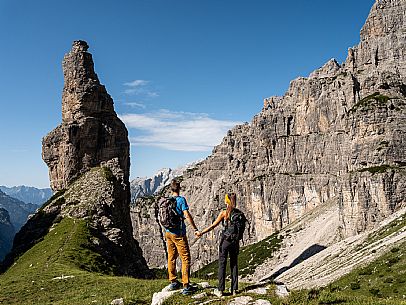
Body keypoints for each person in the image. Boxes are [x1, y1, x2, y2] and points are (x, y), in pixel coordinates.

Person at [196, 193, 241, 297]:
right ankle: (234, 290)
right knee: (234, 264)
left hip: (225, 242)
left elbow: (213, 226)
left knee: (222, 264)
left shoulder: (224, 213)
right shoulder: (239, 213)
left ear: (227, 201)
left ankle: (220, 290)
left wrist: (201, 232)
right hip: (235, 242)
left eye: (225, 199)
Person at [165, 179, 199, 295]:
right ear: (179, 188)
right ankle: (186, 286)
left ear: (171, 188)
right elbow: (187, 215)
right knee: (185, 258)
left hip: (168, 233)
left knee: (171, 257)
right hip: (178, 234)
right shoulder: (181, 200)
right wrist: (195, 228)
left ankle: (173, 281)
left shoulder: (167, 200)